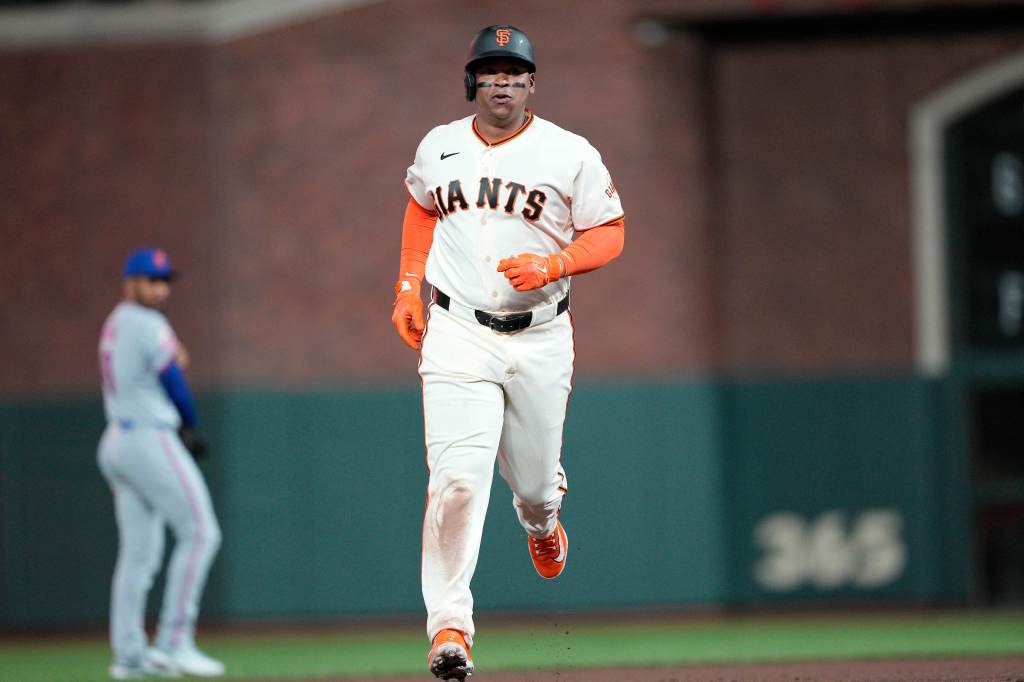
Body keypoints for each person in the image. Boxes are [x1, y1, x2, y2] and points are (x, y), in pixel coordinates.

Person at [391, 25, 625, 681]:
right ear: (473, 80)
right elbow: (421, 207)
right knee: (457, 481)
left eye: (515, 72)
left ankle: (542, 520)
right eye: (492, 70)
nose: (503, 81)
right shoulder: (440, 145)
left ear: (531, 84)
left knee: (534, 486)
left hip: (541, 335)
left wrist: (556, 263)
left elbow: (610, 231)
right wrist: (408, 285)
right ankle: (449, 630)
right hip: (457, 332)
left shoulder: (568, 152)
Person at [97, 248, 225, 679]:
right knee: (201, 532)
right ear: (130, 283)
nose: (160, 288)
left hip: (117, 440)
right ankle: (174, 642)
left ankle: (129, 656)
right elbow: (173, 378)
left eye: (164, 280)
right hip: (149, 436)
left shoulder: (116, 321)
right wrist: (190, 425)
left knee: (138, 555)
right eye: (152, 280)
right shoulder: (147, 322)